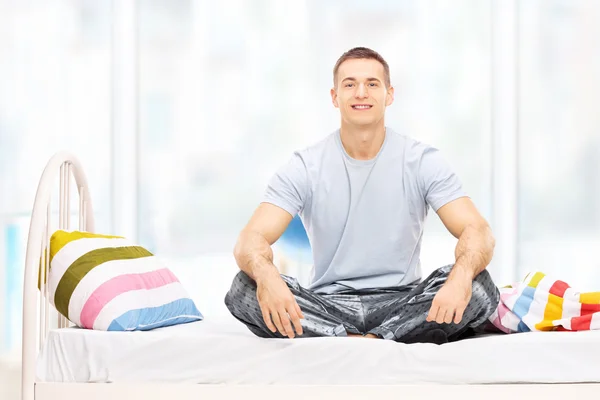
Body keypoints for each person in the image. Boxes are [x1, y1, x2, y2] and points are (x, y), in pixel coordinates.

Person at [224, 47, 499, 343]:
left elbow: (478, 231)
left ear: (388, 95)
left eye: (372, 84)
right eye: (350, 84)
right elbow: (249, 241)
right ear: (335, 97)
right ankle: (372, 338)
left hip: (403, 302)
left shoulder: (422, 161)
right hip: (327, 305)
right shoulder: (304, 165)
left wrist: (459, 277)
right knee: (243, 288)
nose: (361, 93)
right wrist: (267, 277)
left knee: (480, 284)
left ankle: (365, 340)